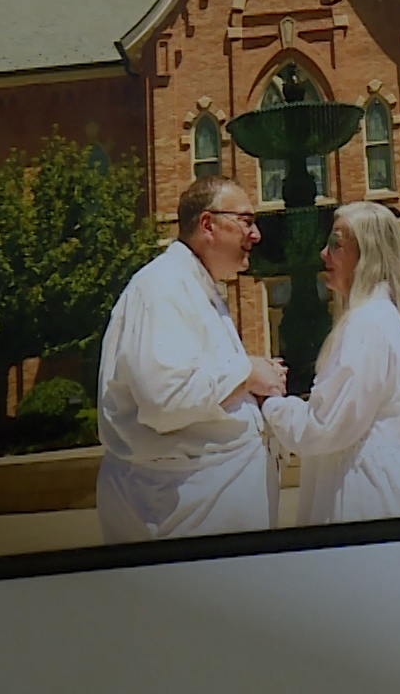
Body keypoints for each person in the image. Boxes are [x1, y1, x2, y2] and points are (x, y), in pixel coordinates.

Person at [96, 176, 289, 543]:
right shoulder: (162, 287)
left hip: (206, 516)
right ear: (207, 225)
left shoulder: (198, 287)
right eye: (246, 221)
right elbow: (164, 399)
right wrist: (247, 375)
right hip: (181, 519)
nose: (256, 235)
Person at [261, 201, 400, 525]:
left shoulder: (367, 325)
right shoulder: (379, 318)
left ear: (367, 255)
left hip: (363, 504)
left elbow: (324, 426)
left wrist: (269, 403)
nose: (324, 255)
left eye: (335, 245)